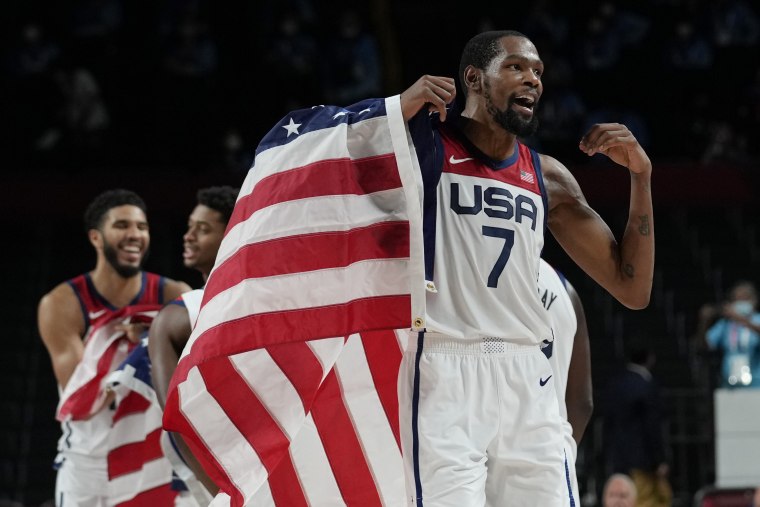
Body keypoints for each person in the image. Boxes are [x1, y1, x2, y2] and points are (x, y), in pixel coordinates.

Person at [396, 29, 654, 505]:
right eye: (516, 67)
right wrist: (394, 109)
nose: (532, 79)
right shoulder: (419, 148)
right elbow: (330, 156)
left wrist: (641, 177)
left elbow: (631, 288)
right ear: (474, 78)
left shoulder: (547, 175)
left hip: (526, 370)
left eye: (538, 71)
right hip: (443, 366)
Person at [37, 188, 191, 507]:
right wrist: (144, 346)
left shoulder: (173, 293)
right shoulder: (61, 304)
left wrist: (146, 341)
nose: (134, 234)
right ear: (96, 237)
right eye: (122, 225)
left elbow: (187, 381)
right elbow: (85, 396)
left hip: (152, 457)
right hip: (88, 460)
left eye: (142, 226)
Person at [148, 185, 239, 496]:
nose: (188, 236)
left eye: (202, 229)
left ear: (233, 233)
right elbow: (176, 418)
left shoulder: (176, 317)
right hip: (241, 470)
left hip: (242, 470)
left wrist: (223, 495)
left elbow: (175, 418)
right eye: (189, 227)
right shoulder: (179, 315)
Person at [538, 258, 593, 503]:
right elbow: (583, 403)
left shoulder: (475, 274)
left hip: (478, 450)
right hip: (549, 450)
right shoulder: (566, 290)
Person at [602, 345, 672, 507]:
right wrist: (659, 460)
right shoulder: (647, 386)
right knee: (646, 501)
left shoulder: (614, 384)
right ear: (650, 358)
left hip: (617, 457)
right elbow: (652, 426)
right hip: (643, 460)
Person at [701, 280, 760, 388]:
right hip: (730, 383)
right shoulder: (726, 324)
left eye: (744, 299)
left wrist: (740, 319)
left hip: (756, 383)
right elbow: (706, 344)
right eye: (736, 299)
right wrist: (704, 322)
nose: (740, 303)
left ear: (753, 300)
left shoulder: (757, 319)